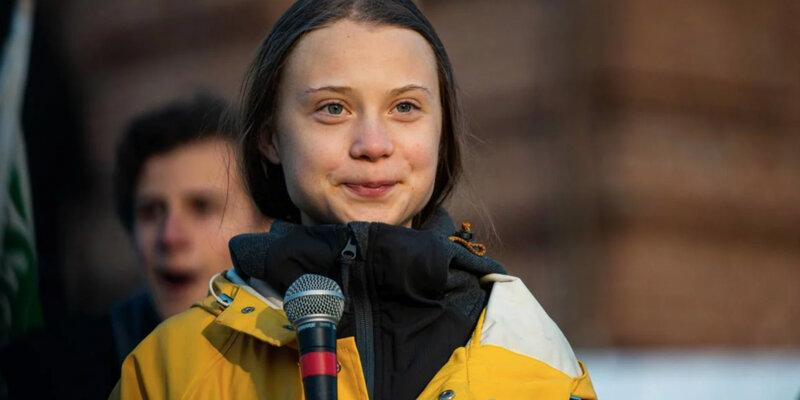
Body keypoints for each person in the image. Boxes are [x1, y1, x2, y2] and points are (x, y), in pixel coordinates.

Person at [112, 1, 597, 399]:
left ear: (441, 130)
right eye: (333, 108)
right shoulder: (171, 367)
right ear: (270, 137)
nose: (372, 144)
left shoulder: (538, 356)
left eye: (405, 107)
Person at [0, 93, 270, 399]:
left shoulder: (310, 353)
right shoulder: (48, 375)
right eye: (151, 211)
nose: (170, 236)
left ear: (264, 226)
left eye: (201, 207)